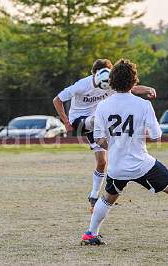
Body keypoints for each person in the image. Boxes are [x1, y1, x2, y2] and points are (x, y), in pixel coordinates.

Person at [80, 59, 168, 248]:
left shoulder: (103, 106)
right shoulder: (143, 105)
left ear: (111, 82)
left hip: (117, 166)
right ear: (134, 82)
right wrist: (136, 136)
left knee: (108, 197)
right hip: (142, 164)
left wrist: (118, 145)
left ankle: (90, 233)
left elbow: (99, 140)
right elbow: (156, 136)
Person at [53, 59, 156, 213]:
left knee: (102, 162)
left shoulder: (109, 81)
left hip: (98, 124)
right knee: (104, 119)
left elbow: (130, 88)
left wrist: (147, 89)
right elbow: (57, 99)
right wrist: (66, 122)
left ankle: (94, 196)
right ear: (94, 74)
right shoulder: (82, 84)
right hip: (80, 121)